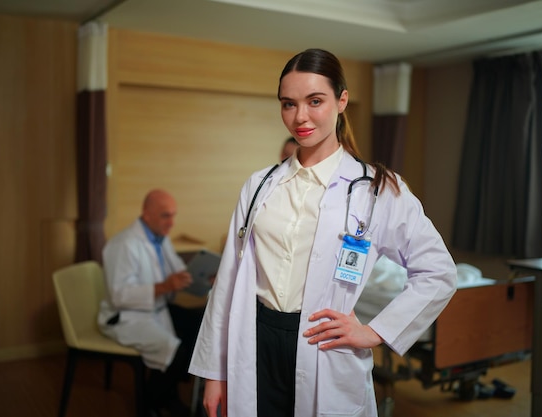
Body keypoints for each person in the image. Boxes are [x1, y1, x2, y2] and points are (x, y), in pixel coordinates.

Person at [188, 49, 457, 417]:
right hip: (256, 338)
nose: (300, 117)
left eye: (315, 101)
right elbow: (229, 282)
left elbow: (438, 272)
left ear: (341, 100)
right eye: (288, 104)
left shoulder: (378, 189)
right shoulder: (259, 185)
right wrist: (213, 373)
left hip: (324, 345)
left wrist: (376, 332)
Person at [98, 189, 193, 417]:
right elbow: (119, 295)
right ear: (146, 214)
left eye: (173, 215)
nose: (171, 223)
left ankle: (169, 395)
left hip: (156, 307)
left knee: (200, 329)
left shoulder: (160, 237)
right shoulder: (123, 244)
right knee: (176, 351)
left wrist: (198, 276)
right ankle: (150, 403)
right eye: (165, 216)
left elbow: (177, 270)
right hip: (127, 317)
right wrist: (165, 286)